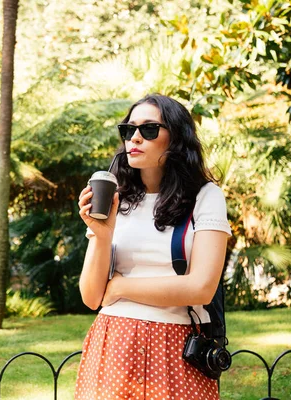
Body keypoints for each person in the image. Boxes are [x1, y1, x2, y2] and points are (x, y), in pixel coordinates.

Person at [74, 94, 231, 400]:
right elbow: (92, 296)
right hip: (113, 341)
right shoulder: (115, 196)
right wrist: (102, 235)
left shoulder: (205, 196)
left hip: (177, 345)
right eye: (128, 129)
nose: (134, 137)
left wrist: (121, 287)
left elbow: (201, 288)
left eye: (149, 130)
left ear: (176, 139)